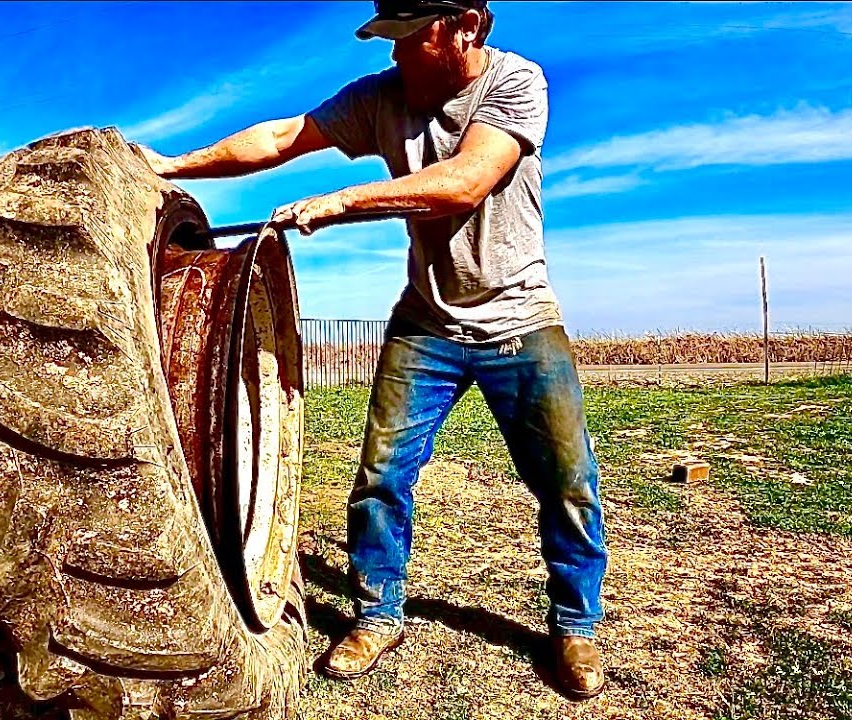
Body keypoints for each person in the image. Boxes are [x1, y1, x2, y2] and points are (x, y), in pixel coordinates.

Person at [139, 0, 608, 700]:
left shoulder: (515, 83)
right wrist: (175, 165)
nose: (393, 56)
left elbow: (465, 182)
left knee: (567, 482)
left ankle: (575, 626)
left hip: (519, 318)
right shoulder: (381, 99)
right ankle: (377, 612)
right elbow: (282, 136)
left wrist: (343, 201)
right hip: (426, 325)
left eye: (408, 39)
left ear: (467, 26)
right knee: (381, 476)